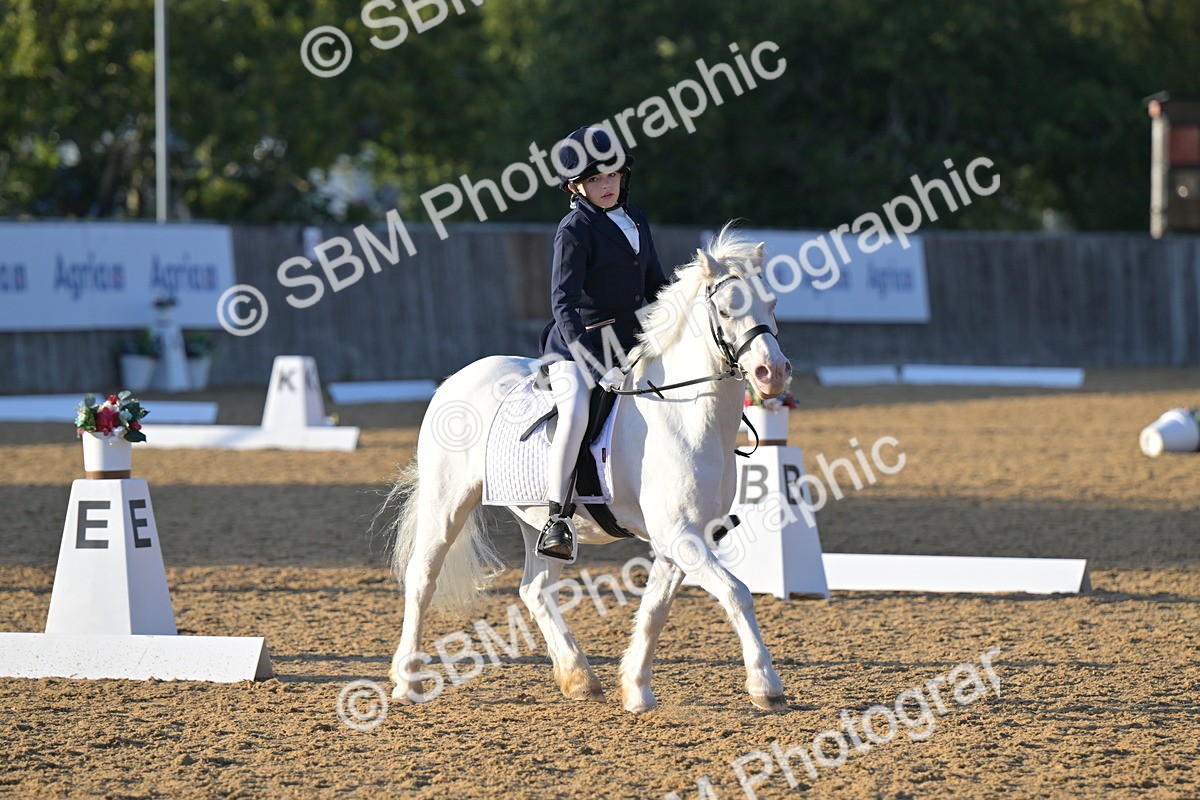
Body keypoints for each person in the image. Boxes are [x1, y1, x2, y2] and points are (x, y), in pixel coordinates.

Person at [536, 126, 669, 562]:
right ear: (576, 186)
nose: (606, 185)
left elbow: (655, 285)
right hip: (581, 343)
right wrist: (594, 367)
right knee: (575, 412)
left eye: (612, 174)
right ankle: (557, 517)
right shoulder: (574, 229)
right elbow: (563, 304)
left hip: (631, 340)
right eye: (595, 179)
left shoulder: (637, 220)